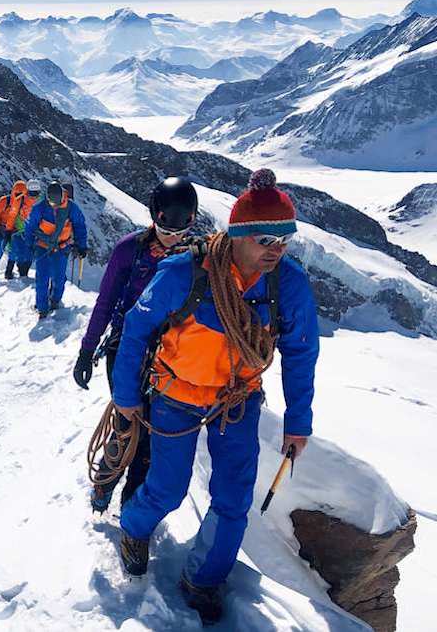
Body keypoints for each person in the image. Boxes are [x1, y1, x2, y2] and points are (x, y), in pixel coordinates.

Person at [109, 169, 319, 625]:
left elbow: (301, 352)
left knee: (233, 496)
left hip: (238, 398)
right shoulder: (186, 272)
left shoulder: (289, 285)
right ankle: (134, 527)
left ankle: (204, 579)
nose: (276, 249)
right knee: (167, 487)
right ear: (238, 234)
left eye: (284, 238)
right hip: (176, 393)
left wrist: (298, 422)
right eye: (265, 238)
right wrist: (126, 395)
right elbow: (137, 329)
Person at [76, 177, 199, 513]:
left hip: (173, 356)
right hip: (126, 350)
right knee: (129, 421)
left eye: (181, 230)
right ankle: (106, 482)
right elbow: (106, 302)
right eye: (166, 228)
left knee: (152, 434)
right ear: (154, 216)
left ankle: (131, 503)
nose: (173, 237)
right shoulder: (129, 250)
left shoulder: (196, 257)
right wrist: (87, 349)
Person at [24, 180, 87, 318]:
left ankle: (55, 301)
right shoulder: (39, 208)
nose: (54, 205)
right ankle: (42, 308)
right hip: (43, 247)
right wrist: (29, 245)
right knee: (42, 278)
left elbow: (80, 226)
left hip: (62, 247)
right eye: (51, 202)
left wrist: (82, 246)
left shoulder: (71, 208)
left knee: (59, 278)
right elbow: (29, 227)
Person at [0, 181, 32, 283]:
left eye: (21, 195)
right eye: (17, 194)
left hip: (14, 230)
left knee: (14, 252)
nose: (18, 197)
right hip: (2, 228)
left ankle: (8, 273)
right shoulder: (4, 201)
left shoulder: (23, 204)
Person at [7, 184, 39, 279]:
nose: (33, 195)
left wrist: (9, 229)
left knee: (25, 252)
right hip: (26, 231)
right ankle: (23, 273)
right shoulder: (40, 201)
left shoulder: (20, 200)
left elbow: (12, 215)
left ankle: (22, 273)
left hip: (23, 230)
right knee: (27, 252)